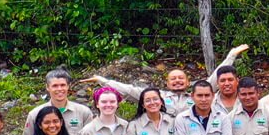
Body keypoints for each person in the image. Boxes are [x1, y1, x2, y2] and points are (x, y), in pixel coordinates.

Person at [87, 42, 247, 116]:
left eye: (181, 78)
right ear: (167, 83)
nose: (177, 81)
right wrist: (102, 80)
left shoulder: (197, 96)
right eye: (173, 79)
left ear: (187, 81)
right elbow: (130, 91)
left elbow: (214, 80)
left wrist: (231, 56)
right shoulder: (159, 97)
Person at [23, 68, 92, 135]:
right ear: (47, 87)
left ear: (68, 86)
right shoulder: (35, 115)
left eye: (62, 85)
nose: (59, 89)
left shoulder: (83, 113)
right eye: (55, 86)